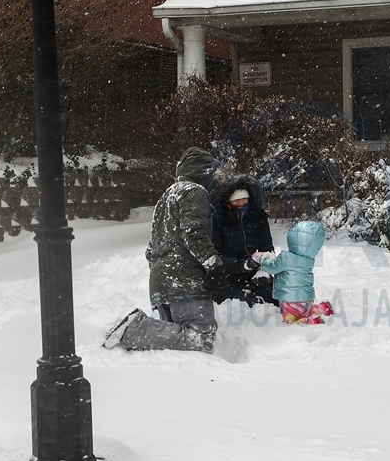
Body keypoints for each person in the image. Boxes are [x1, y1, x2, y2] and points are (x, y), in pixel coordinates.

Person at [103, 147, 225, 353]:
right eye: (214, 174)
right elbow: (193, 232)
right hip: (185, 280)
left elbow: (152, 248)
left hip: (162, 281)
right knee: (201, 339)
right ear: (203, 172)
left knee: (178, 348)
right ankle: (134, 329)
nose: (217, 180)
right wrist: (214, 265)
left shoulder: (167, 195)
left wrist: (163, 273)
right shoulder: (195, 191)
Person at [210, 173, 278, 307]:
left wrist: (264, 270)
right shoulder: (220, 220)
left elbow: (267, 249)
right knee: (235, 304)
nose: (241, 204)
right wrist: (243, 265)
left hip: (253, 273)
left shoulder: (258, 217)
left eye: (244, 200)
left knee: (275, 299)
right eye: (236, 200)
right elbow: (215, 256)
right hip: (227, 275)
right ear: (229, 201)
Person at [254, 220, 333, 325]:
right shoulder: (308, 260)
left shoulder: (286, 258)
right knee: (304, 311)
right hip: (307, 299)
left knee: (290, 320)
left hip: (289, 299)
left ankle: (310, 322)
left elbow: (272, 267)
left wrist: (262, 258)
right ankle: (321, 308)